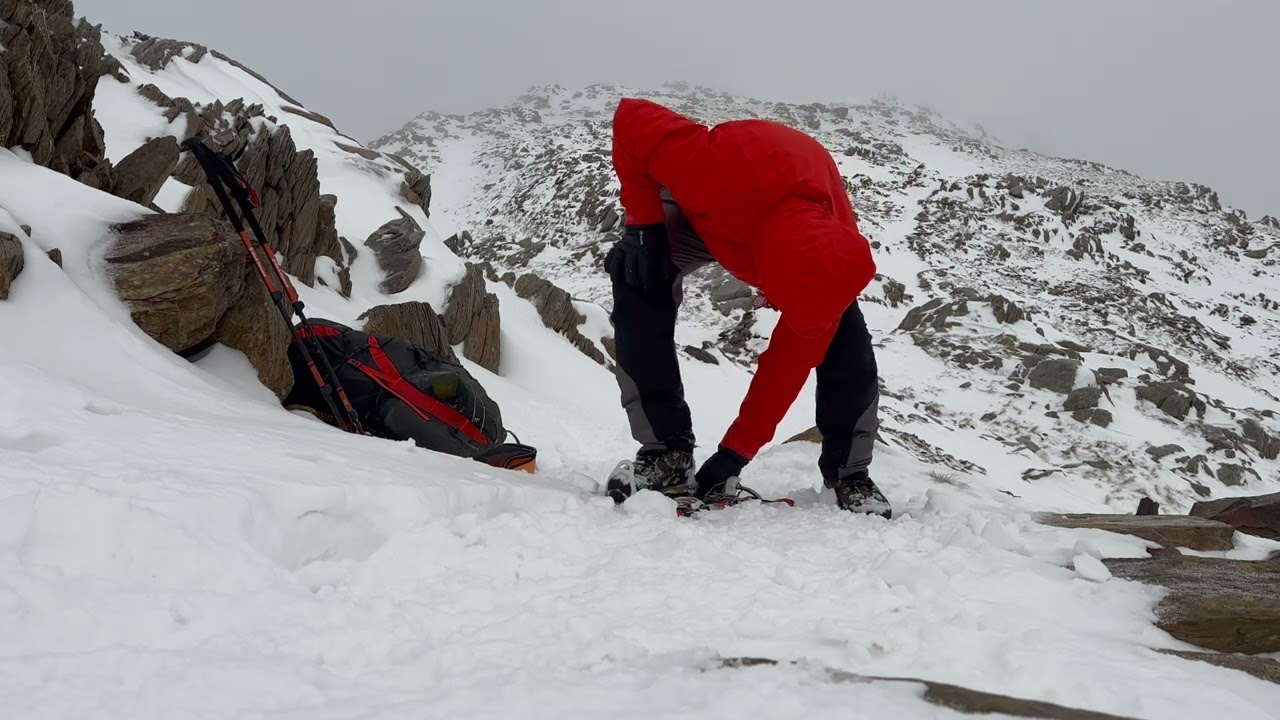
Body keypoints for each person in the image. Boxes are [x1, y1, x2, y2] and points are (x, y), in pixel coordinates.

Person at [603, 97, 891, 517]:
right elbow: (631, 118)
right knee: (638, 277)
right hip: (708, 209)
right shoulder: (706, 166)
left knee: (848, 348)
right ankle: (667, 451)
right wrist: (643, 226)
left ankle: (850, 474)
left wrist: (734, 454)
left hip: (779, 227)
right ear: (765, 278)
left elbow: (787, 364)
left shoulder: (831, 257)